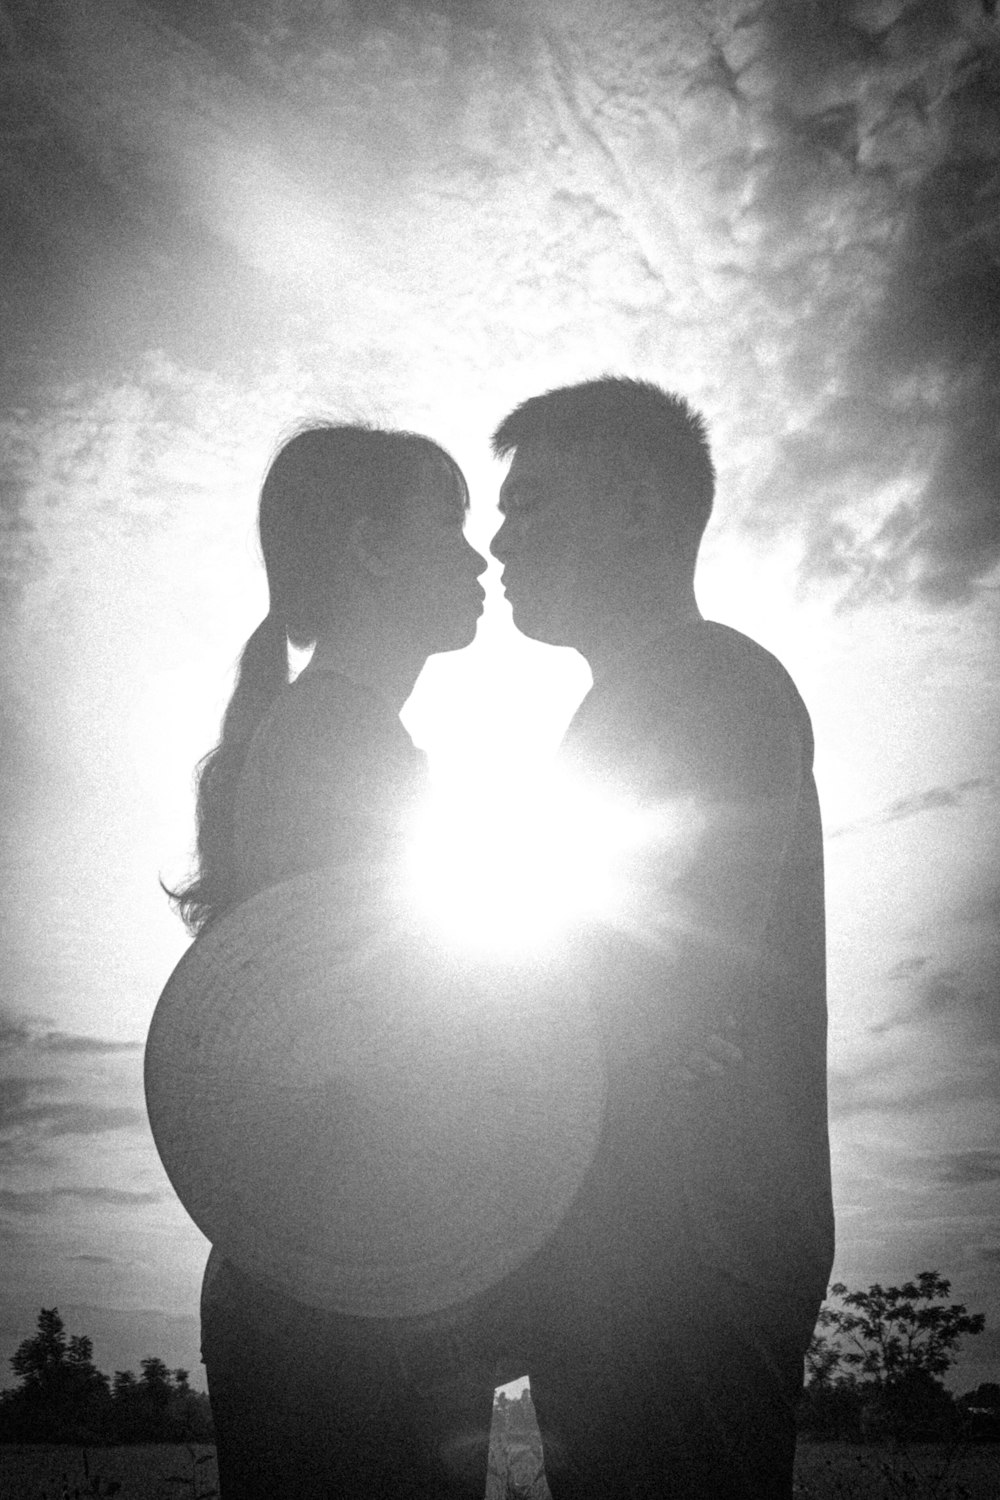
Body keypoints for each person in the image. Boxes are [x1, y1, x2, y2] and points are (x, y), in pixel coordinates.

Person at [488, 376, 835, 1498]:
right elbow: (597, 983)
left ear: (637, 507)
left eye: (530, 503)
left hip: (689, 1246)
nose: (499, 539)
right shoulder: (646, 694)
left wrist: (622, 1021)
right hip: (645, 1240)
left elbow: (658, 986)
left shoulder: (705, 677)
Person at [168, 424, 496, 1498]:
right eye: (447, 526)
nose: (480, 556)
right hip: (349, 1294)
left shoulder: (332, 734)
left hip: (337, 1283)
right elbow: (393, 1033)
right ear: (368, 547)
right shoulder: (340, 747)